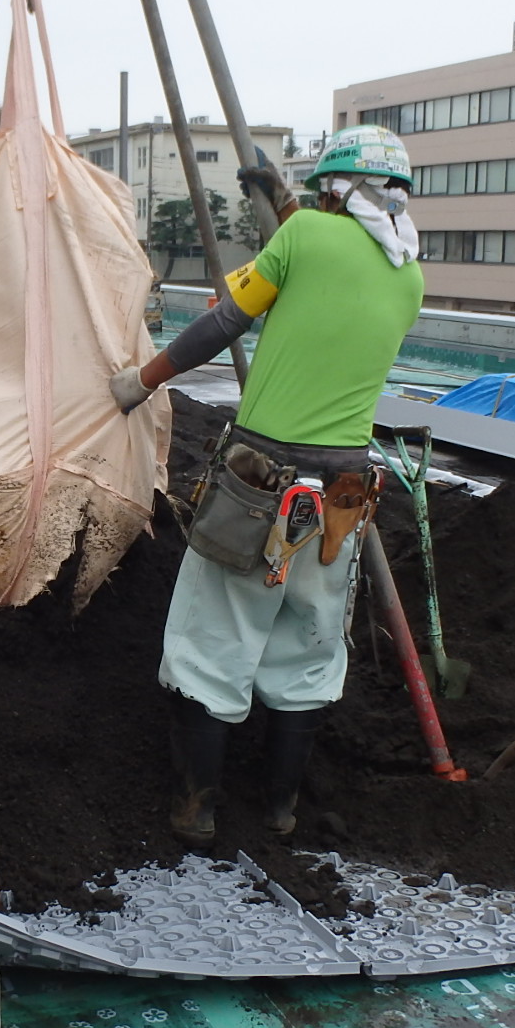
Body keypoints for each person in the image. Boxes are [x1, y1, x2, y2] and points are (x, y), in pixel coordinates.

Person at [111, 126, 424, 844]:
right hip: (342, 494)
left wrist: (143, 381)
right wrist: (291, 208)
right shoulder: (410, 276)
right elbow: (334, 269)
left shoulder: (305, 236)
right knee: (309, 650)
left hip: (260, 480)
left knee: (209, 641)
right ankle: (280, 810)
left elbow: (227, 320)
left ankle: (195, 810)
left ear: (332, 191)